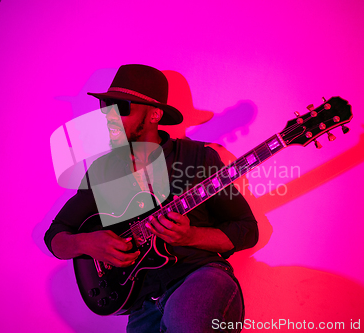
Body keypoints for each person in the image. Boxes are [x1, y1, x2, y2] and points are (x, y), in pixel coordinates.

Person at [44, 64, 258, 332]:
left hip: (197, 276)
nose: (109, 116)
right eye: (106, 106)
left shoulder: (197, 158)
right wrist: (88, 243)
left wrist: (191, 237)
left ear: (155, 114)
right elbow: (55, 236)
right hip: (141, 304)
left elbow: (247, 230)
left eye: (121, 108)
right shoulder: (103, 171)